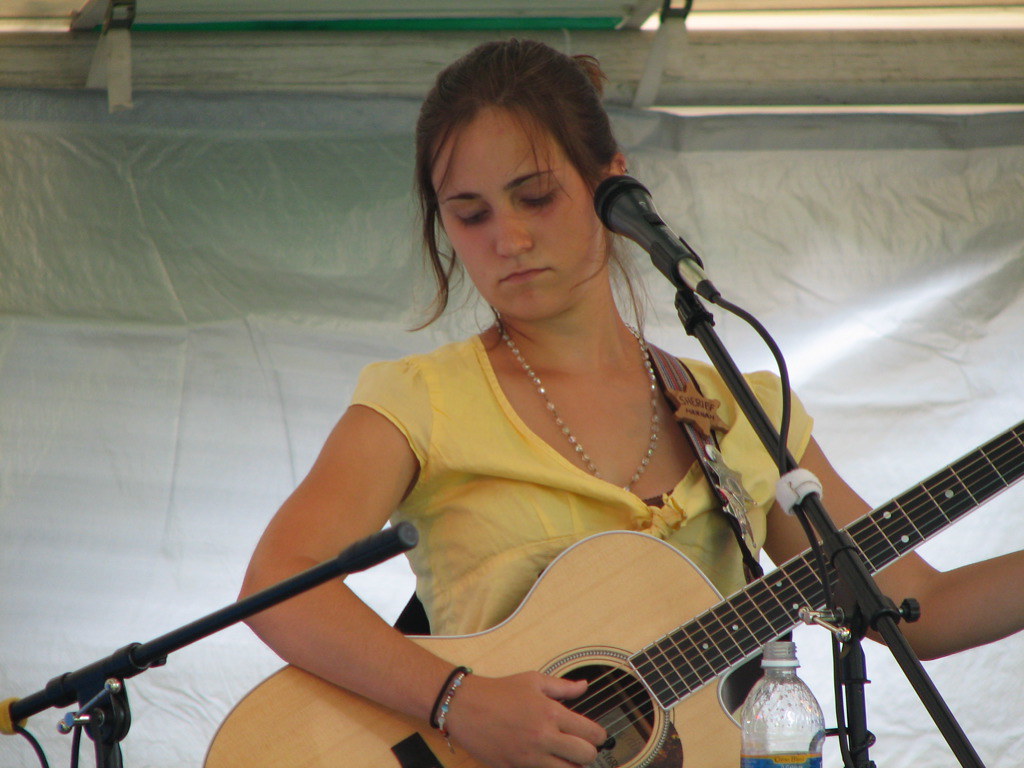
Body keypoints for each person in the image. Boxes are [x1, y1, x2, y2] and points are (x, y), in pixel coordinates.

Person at [239, 39, 1024, 768]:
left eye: (535, 196)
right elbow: (280, 581)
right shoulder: (423, 400)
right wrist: (457, 701)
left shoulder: (739, 408)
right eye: (470, 214)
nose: (506, 238)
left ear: (611, 182)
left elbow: (926, 607)